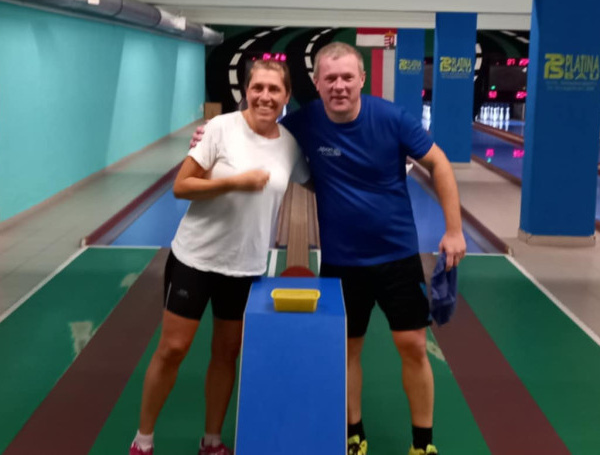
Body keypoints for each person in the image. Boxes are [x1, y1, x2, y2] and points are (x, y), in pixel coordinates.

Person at [191, 42, 466, 455]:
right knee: (348, 349)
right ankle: (354, 433)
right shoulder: (304, 123)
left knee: (412, 345)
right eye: (330, 78)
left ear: (361, 80)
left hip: (397, 255)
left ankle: (422, 443)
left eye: (347, 77)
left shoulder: (392, 118)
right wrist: (210, 133)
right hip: (342, 262)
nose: (339, 86)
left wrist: (454, 230)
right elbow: (256, 129)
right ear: (317, 83)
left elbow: (439, 162)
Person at [129, 59, 309, 455]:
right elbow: (182, 186)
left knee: (227, 354)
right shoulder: (220, 128)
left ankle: (211, 441)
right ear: (246, 90)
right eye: (258, 87)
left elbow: (316, 181)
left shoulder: (290, 145)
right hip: (195, 258)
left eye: (274, 89)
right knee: (173, 349)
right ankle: (142, 440)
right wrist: (236, 182)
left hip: (245, 267)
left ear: (287, 95)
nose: (265, 96)